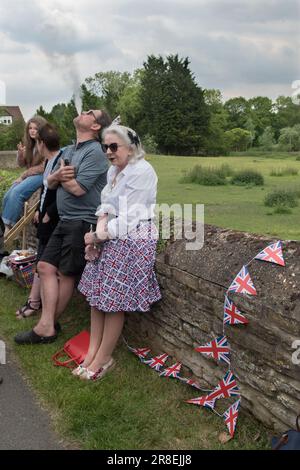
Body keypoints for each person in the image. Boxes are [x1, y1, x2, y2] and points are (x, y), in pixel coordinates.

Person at [14, 109, 112, 345]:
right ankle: (48, 324)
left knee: (66, 274)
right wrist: (58, 176)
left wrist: (60, 178)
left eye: (90, 112)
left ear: (96, 126)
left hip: (83, 221)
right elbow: (49, 181)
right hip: (65, 219)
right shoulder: (68, 150)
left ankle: (46, 326)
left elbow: (79, 189)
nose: (84, 111)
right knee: (45, 267)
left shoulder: (96, 152)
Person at [73, 125, 161, 381]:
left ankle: (103, 358)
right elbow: (106, 205)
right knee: (96, 296)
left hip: (133, 237)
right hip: (111, 234)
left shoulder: (142, 171)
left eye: (114, 147)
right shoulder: (114, 170)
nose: (109, 152)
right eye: (105, 147)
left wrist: (97, 236)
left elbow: (130, 217)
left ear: (131, 147)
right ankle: (91, 353)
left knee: (112, 302)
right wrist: (97, 235)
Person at [16, 123, 62, 319]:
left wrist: (48, 212)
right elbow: (45, 190)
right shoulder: (49, 162)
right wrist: (37, 209)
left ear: (41, 143)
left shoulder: (60, 161)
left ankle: (36, 303)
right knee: (40, 260)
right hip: (43, 216)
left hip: (52, 220)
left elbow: (61, 193)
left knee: (43, 263)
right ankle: (34, 300)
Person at [2, 116, 47, 233]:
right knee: (8, 195)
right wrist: (20, 154)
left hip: (43, 175)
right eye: (30, 128)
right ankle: (4, 224)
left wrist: (23, 176)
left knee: (17, 192)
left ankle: (8, 227)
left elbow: (43, 167)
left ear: (41, 130)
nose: (32, 131)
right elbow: (21, 164)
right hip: (31, 175)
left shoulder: (45, 144)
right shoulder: (31, 144)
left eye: (35, 128)